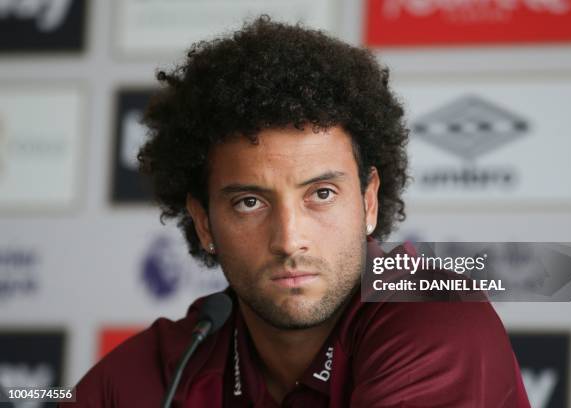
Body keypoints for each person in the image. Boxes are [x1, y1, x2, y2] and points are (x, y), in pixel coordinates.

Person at [62, 16, 530, 407]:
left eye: (321, 194)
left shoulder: (434, 312)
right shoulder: (179, 360)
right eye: (250, 203)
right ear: (205, 222)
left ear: (368, 201)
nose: (289, 239)